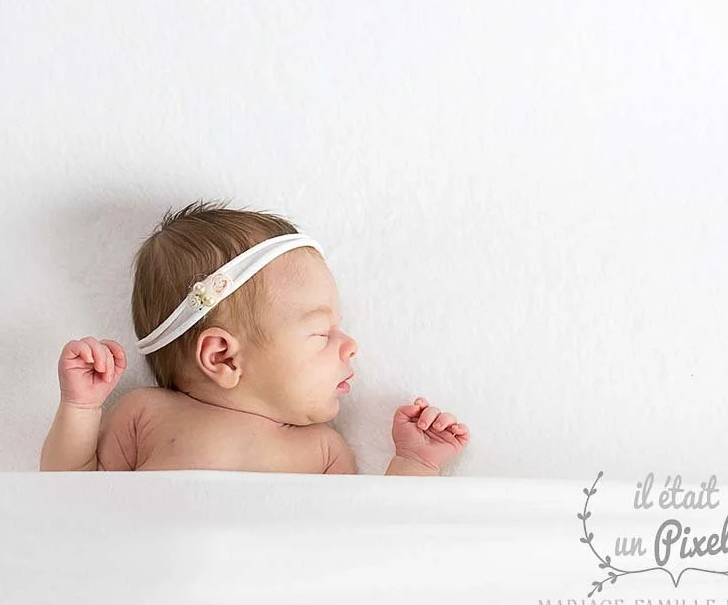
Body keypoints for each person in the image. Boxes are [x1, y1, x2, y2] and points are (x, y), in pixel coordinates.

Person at [40, 199, 470, 475]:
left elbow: (366, 541)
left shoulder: (323, 451)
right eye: (322, 332)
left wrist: (414, 462)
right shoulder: (146, 416)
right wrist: (80, 408)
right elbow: (70, 499)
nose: (350, 344)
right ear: (224, 358)